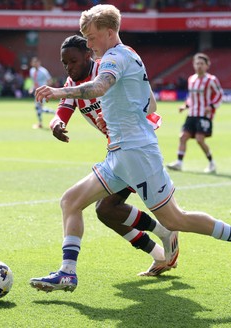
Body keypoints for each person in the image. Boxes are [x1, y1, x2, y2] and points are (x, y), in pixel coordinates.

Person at [30, 4, 231, 294]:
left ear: (109, 32)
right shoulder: (125, 56)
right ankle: (68, 273)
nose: (89, 44)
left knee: (175, 219)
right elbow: (151, 104)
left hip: (137, 152)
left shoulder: (115, 57)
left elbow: (99, 87)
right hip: (119, 152)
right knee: (71, 202)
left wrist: (59, 91)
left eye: (91, 37)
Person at [49, 34, 179, 276]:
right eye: (64, 62)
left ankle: (165, 232)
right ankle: (160, 250)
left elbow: (145, 100)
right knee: (106, 212)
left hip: (135, 147)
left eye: (73, 61)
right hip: (117, 151)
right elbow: (62, 110)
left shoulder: (107, 70)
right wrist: (56, 123)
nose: (69, 67)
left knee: (104, 209)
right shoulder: (71, 85)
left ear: (88, 54)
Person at [167, 53, 223, 173]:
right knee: (183, 137)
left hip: (204, 115)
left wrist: (211, 106)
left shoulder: (211, 80)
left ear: (207, 66)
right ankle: (179, 163)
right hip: (192, 114)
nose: (199, 66)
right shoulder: (191, 79)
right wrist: (185, 106)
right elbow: (191, 97)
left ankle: (211, 163)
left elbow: (219, 94)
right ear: (193, 65)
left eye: (202, 64)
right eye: (197, 63)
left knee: (199, 139)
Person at [29, 56, 54, 129]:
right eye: (34, 62)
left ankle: (40, 123)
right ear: (32, 63)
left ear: (39, 62)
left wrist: (46, 90)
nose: (35, 63)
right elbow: (34, 81)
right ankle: (55, 113)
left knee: (38, 107)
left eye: (36, 62)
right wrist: (32, 88)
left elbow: (50, 81)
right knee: (39, 108)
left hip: (42, 92)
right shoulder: (32, 71)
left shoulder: (43, 71)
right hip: (36, 92)